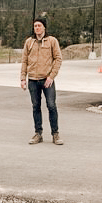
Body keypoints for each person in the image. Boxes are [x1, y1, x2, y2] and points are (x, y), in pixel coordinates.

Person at [20, 17, 63, 145]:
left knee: (51, 106)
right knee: (35, 107)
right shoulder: (29, 42)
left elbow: (58, 59)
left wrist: (51, 76)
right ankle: (38, 133)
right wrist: (23, 78)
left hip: (47, 80)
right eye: (35, 26)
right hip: (33, 80)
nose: (37, 28)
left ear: (44, 27)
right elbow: (24, 61)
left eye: (39, 25)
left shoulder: (52, 41)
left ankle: (55, 134)